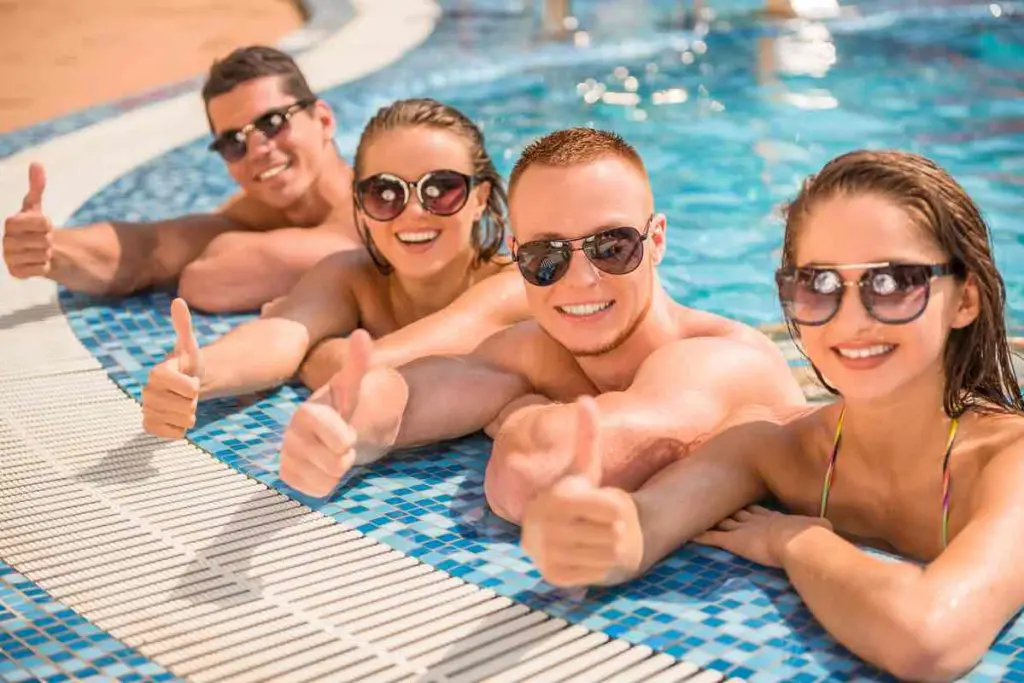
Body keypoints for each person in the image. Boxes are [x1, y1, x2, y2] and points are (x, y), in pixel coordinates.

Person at [520, 150, 1024, 681]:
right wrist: (587, 534)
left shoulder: (1007, 462)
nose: (851, 319)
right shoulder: (774, 447)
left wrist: (792, 540)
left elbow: (929, 641)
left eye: (894, 282)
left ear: (965, 299)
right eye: (819, 285)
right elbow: (643, 524)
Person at [277, 127, 806, 516]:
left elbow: (530, 477)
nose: (579, 280)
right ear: (515, 254)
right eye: (545, 256)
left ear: (658, 240)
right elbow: (407, 396)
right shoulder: (537, 349)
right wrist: (337, 427)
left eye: (612, 246)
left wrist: (519, 410)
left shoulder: (717, 361)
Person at [141, 98, 528, 440]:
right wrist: (196, 373)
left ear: (479, 199)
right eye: (386, 192)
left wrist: (314, 353)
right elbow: (280, 333)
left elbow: (370, 369)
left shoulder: (514, 286)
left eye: (441, 188)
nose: (413, 212)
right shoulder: (351, 276)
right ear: (360, 203)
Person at [2, 45, 358, 313]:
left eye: (272, 123)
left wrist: (225, 252)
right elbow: (149, 250)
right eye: (233, 142)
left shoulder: (383, 208)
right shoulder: (252, 216)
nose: (256, 149)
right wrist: (52, 250)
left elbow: (209, 280)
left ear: (324, 121)